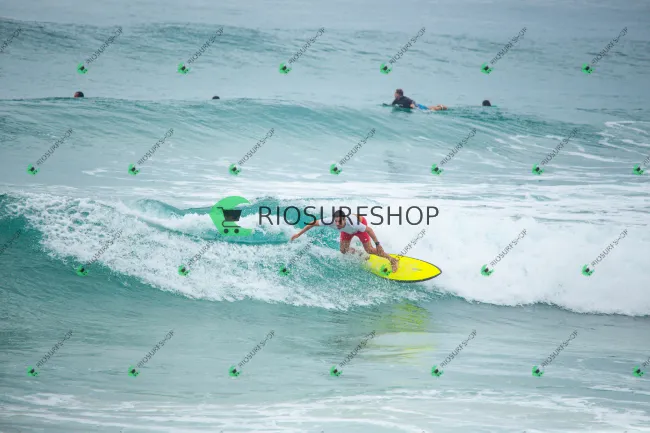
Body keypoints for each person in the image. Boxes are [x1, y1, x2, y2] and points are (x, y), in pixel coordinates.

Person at [290, 209, 400, 272]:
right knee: (343, 250)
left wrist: (378, 244)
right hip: (347, 231)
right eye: (336, 221)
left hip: (358, 229)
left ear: (344, 219)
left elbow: (369, 230)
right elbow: (312, 223)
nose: (337, 224)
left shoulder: (354, 223)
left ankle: (393, 260)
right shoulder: (330, 221)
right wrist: (299, 234)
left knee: (370, 250)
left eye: (340, 222)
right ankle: (361, 253)